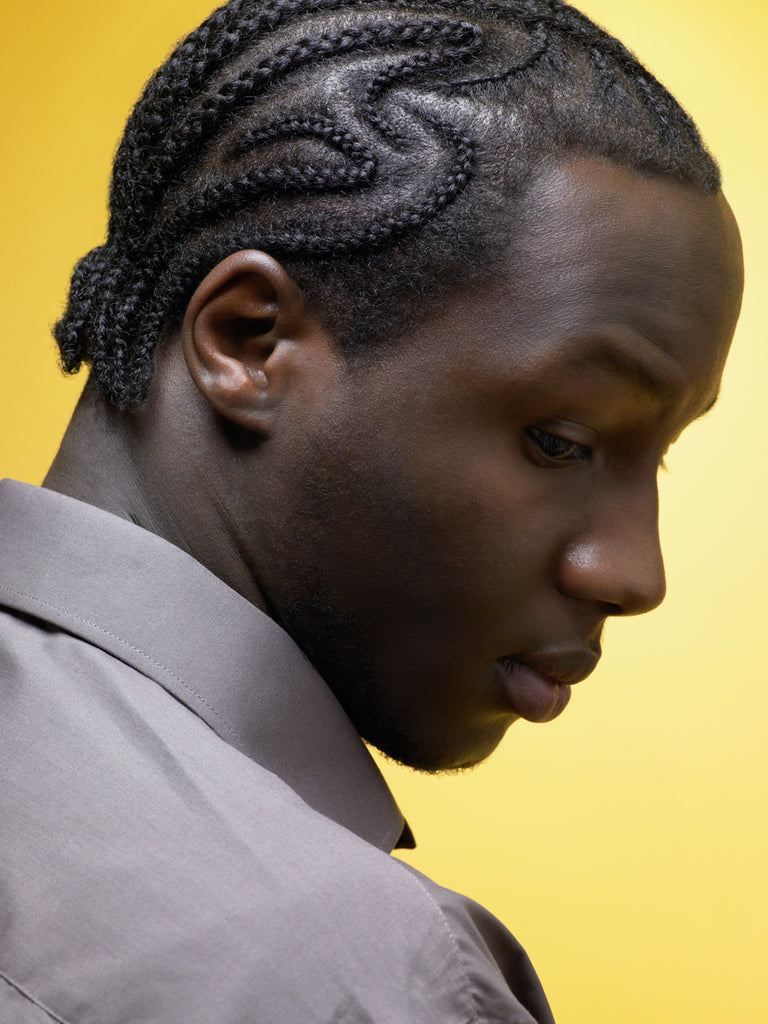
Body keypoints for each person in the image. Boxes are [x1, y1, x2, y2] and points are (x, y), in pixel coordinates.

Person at [0, 0, 743, 1021]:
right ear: (248, 341)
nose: (635, 574)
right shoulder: (362, 975)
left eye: (656, 461)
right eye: (560, 440)